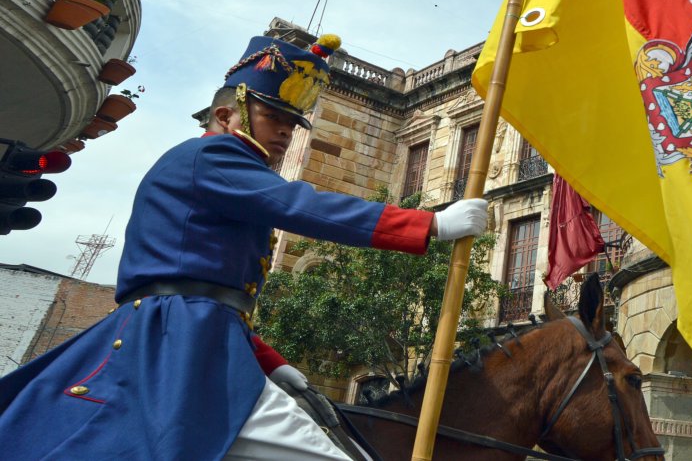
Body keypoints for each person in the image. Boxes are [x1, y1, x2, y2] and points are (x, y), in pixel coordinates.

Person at [0, 34, 488, 460]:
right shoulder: (210, 154)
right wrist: (428, 224)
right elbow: (301, 206)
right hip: (183, 343)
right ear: (224, 113)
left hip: (194, 335)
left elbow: (213, 297)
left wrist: (274, 365)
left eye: (292, 123)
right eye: (273, 116)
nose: (284, 131)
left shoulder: (217, 167)